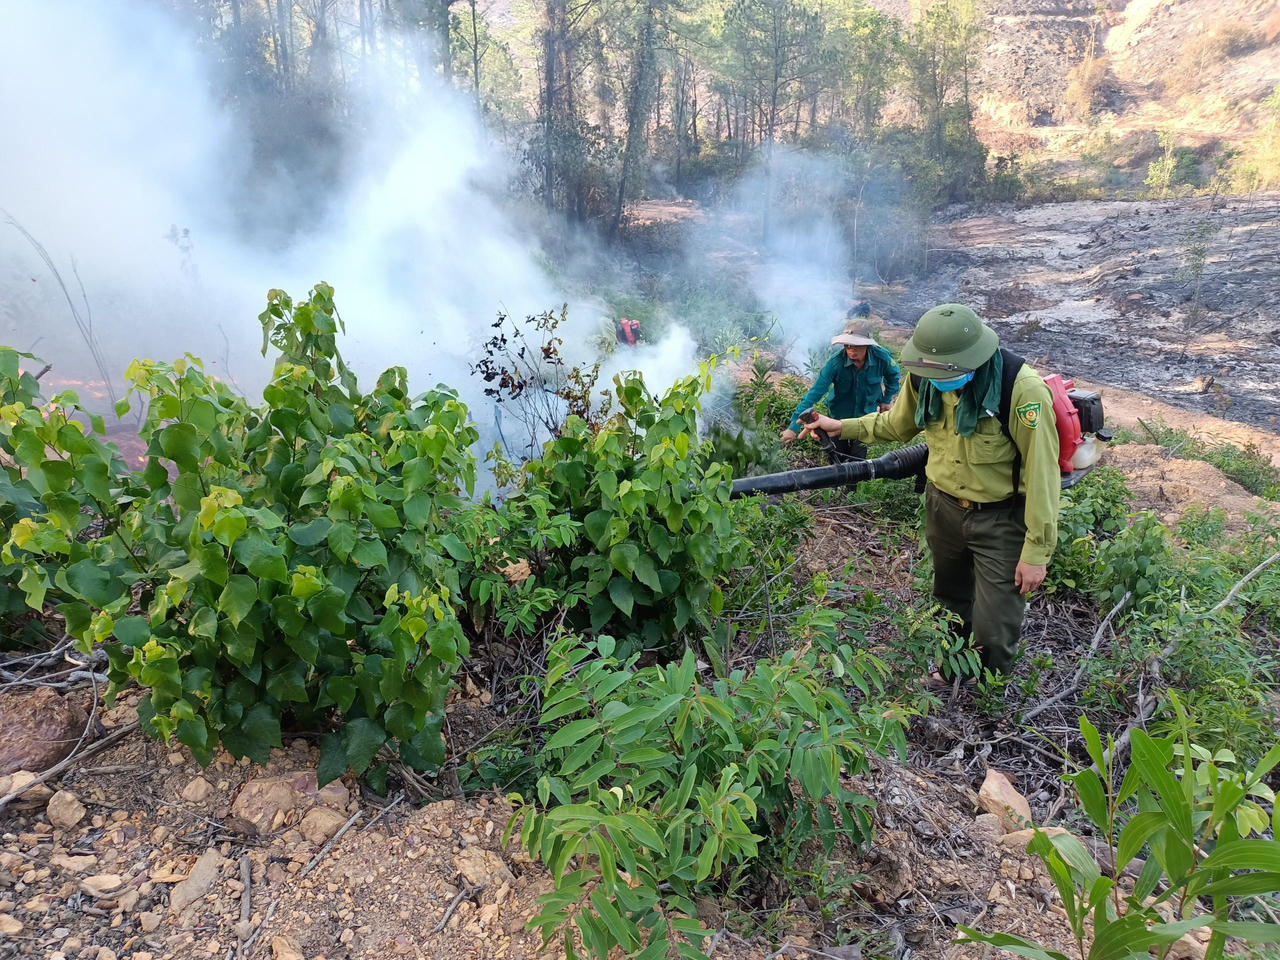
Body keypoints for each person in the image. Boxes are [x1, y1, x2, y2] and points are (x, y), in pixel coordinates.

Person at [798, 303, 1060, 676]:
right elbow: (896, 424)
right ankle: (950, 673)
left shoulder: (1020, 389)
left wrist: (1036, 551)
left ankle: (987, 699)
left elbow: (1042, 474)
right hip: (943, 509)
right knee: (949, 604)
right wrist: (842, 425)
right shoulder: (925, 375)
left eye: (945, 372)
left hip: (1001, 518)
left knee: (993, 625)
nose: (935, 379)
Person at [782, 310, 900, 462]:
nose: (851, 349)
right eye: (847, 345)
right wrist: (793, 427)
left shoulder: (881, 357)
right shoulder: (835, 363)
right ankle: (836, 486)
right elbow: (814, 393)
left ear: (867, 344)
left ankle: (853, 486)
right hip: (837, 417)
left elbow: (893, 376)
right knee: (836, 456)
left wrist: (886, 399)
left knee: (858, 461)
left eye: (856, 345)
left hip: (866, 417)